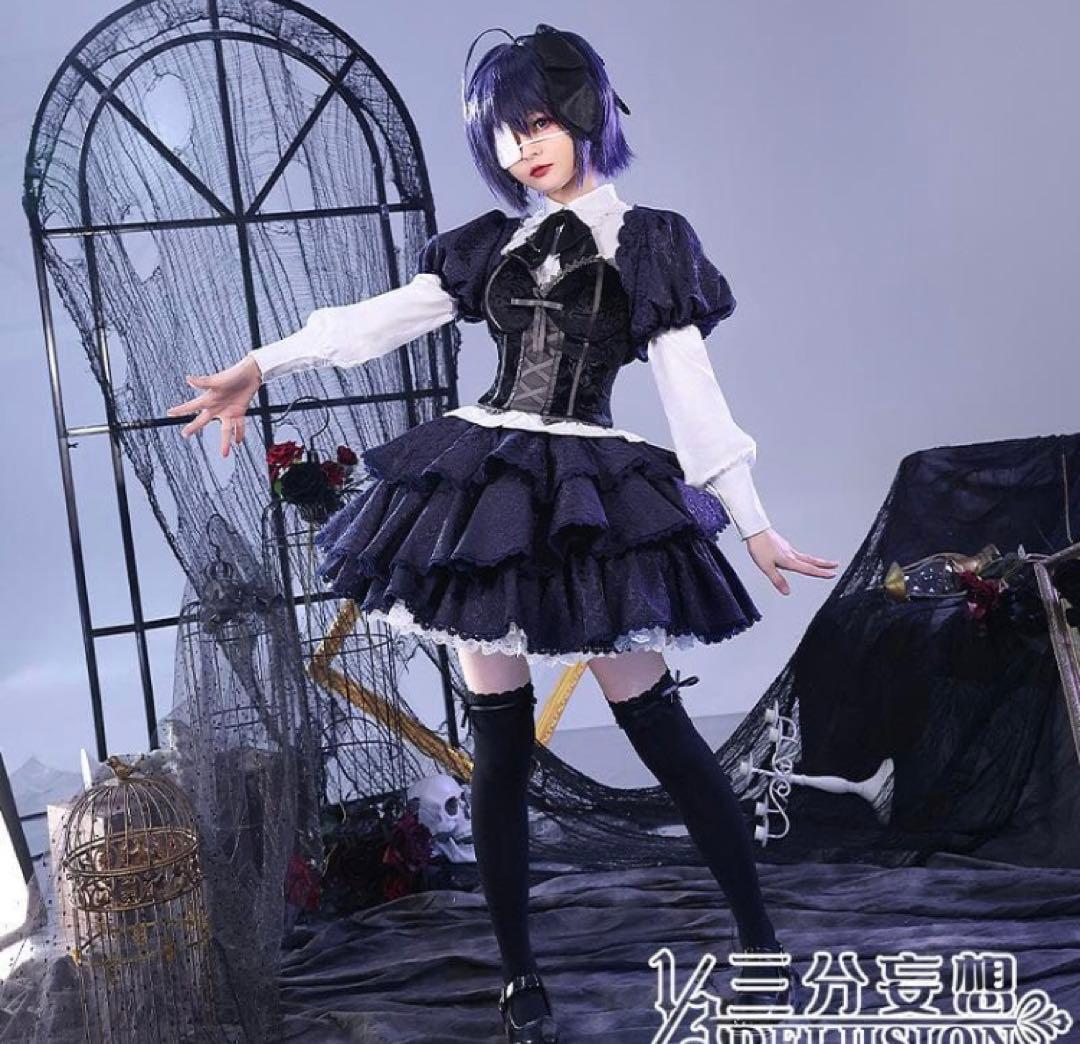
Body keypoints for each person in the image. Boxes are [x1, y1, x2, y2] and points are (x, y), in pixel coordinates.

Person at [167, 23, 838, 1043]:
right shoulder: (494, 244)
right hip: (485, 488)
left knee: (658, 728)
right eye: (506, 132)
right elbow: (375, 320)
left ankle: (759, 942)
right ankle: (520, 976)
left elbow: (692, 393)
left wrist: (752, 521)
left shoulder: (651, 241)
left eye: (539, 122)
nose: (526, 146)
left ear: (583, 115)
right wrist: (261, 365)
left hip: (587, 492)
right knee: (501, 746)